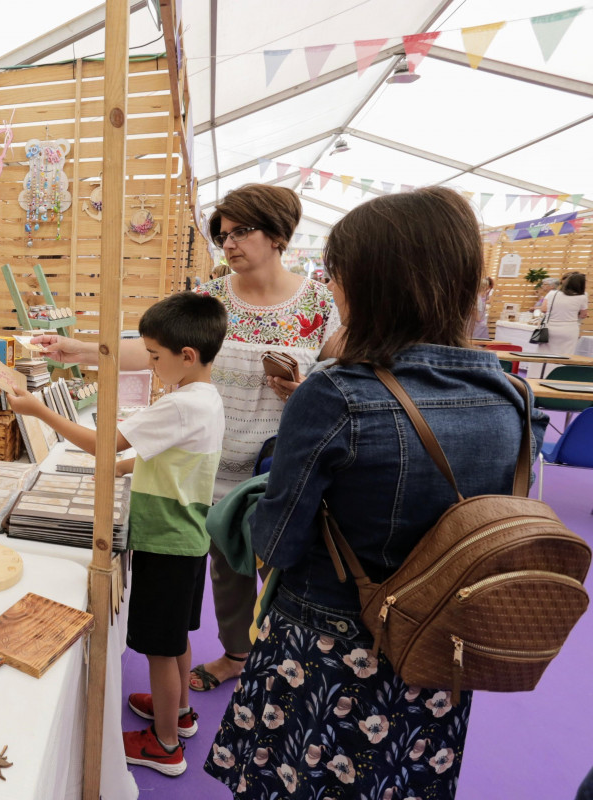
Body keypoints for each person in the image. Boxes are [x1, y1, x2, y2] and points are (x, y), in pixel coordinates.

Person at [203, 187, 548, 799]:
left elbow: (274, 544)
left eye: (338, 273)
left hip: (329, 652)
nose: (332, 287)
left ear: (372, 280)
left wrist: (252, 492)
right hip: (441, 651)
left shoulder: (337, 395)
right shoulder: (511, 398)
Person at [33, 183, 339, 693]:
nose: (231, 244)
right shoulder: (212, 299)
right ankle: (237, 655)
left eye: (242, 231)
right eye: (223, 235)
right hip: (210, 462)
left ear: (278, 233)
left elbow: (338, 378)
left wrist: (305, 390)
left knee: (283, 565)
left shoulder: (319, 304)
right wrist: (82, 351)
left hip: (281, 462)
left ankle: (287, 668)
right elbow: (157, 351)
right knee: (224, 570)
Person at [9, 292, 227, 777]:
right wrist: (125, 466)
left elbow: (101, 442)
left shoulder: (181, 406)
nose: (148, 365)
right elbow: (170, 459)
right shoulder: (205, 397)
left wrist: (38, 410)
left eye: (153, 357)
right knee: (176, 639)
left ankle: (165, 742)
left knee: (158, 647)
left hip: (164, 541)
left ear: (186, 356)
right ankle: (181, 712)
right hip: (187, 538)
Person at [539, 271, 588, 355]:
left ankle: (541, 368)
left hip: (549, 328)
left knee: (543, 353)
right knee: (566, 354)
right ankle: (560, 368)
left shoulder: (552, 294)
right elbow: (583, 315)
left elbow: (543, 309)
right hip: (569, 329)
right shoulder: (582, 297)